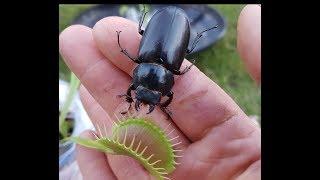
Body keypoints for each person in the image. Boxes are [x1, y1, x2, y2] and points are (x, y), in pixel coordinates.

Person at [59, 4, 261, 180]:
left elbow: (143, 88)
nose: (145, 98)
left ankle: (168, 25)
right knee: (181, 51)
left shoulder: (147, 64)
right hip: (173, 29)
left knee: (147, 40)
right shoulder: (168, 70)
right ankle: (181, 29)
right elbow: (162, 92)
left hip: (166, 27)